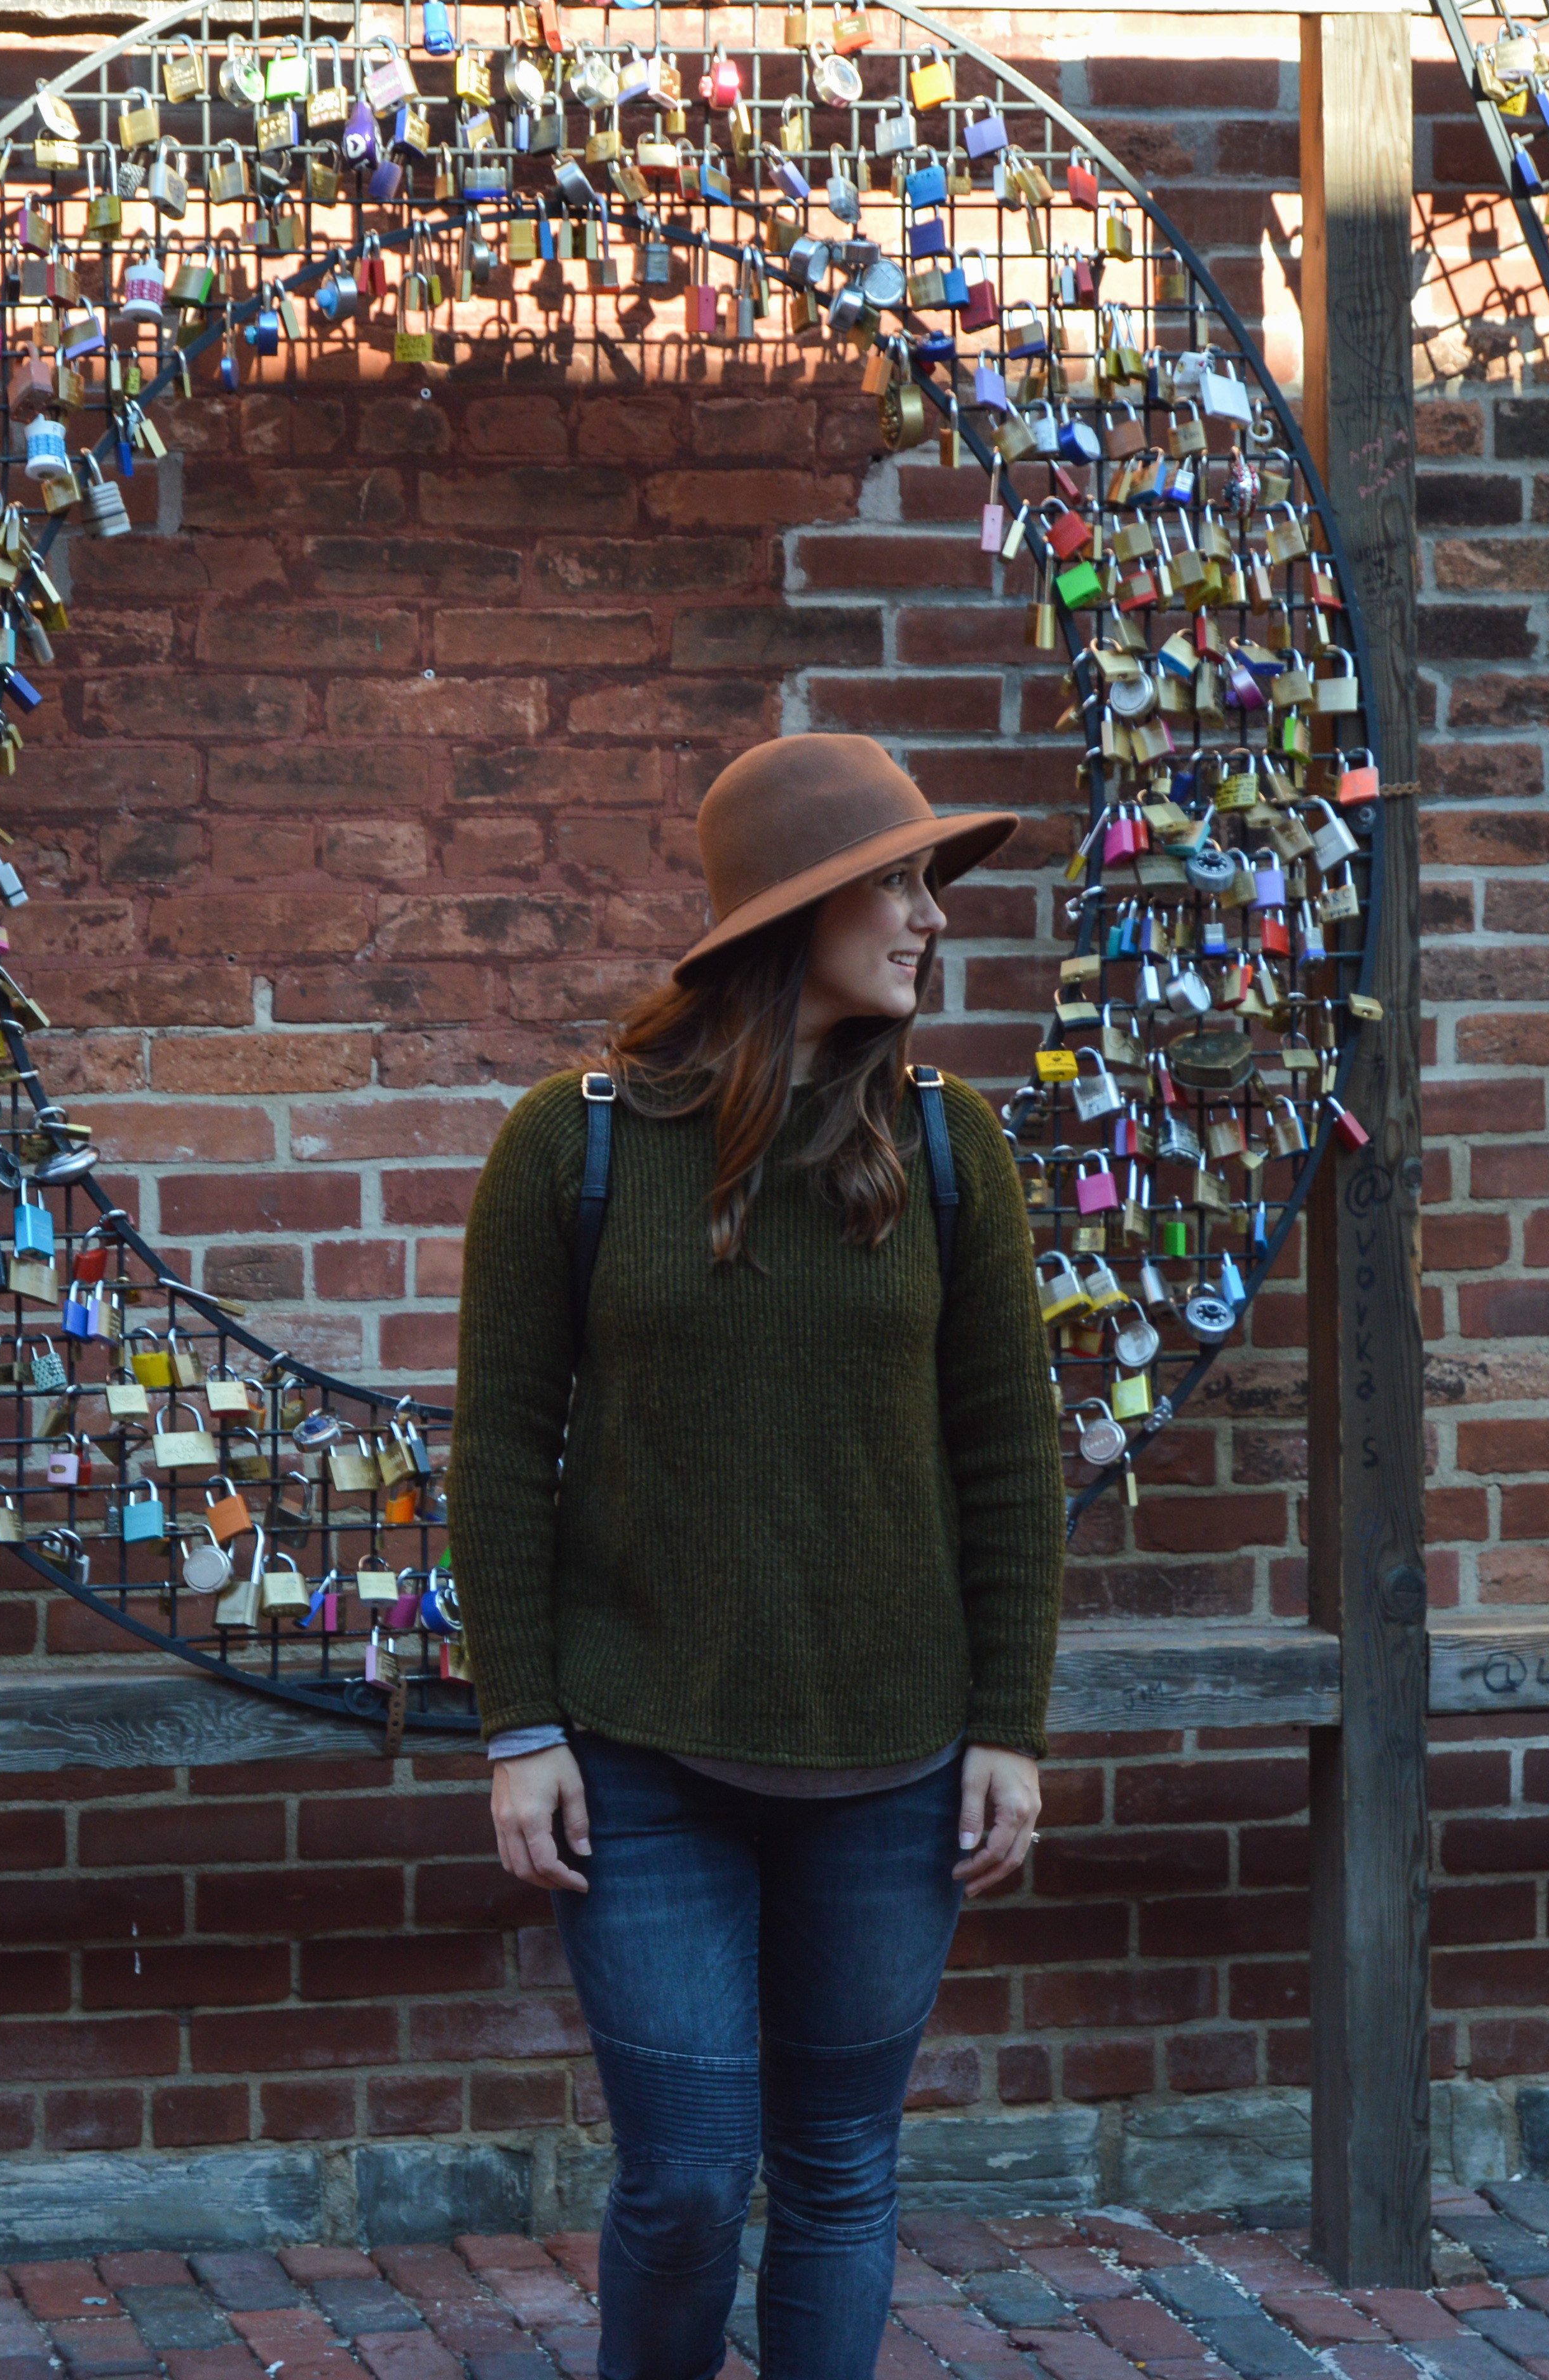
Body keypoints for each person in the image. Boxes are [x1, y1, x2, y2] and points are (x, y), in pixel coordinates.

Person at [447, 730, 1063, 2380]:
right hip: (644, 1759)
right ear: (797, 911)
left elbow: (1008, 1454)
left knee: (843, 2174)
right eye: (898, 880)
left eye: (931, 881)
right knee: (688, 2179)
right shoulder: (568, 1147)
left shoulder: (949, 1151)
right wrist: (519, 1730)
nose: (932, 917)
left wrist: (1009, 1722)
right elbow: (503, 1453)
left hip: (892, 1763)